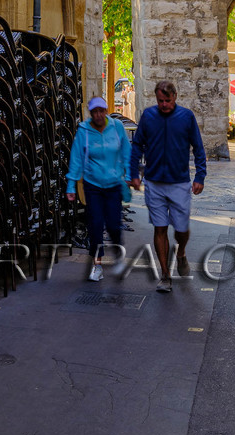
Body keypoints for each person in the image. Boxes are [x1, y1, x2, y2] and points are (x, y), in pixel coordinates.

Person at [129, 78, 207, 293]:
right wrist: (134, 172)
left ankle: (181, 252)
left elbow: (198, 148)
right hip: (154, 182)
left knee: (181, 229)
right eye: (160, 100)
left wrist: (200, 176)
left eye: (167, 100)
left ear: (175, 97)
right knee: (160, 227)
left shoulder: (186, 117)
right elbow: (137, 145)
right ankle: (165, 274)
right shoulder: (148, 116)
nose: (164, 104)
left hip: (179, 182)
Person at [65, 94, 132, 279]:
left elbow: (126, 151)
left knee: (113, 225)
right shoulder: (84, 130)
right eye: (95, 112)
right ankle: (97, 264)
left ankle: (118, 256)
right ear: (91, 113)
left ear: (106, 111)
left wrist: (130, 174)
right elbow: (76, 158)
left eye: (101, 111)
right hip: (93, 184)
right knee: (95, 225)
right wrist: (71, 185)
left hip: (113, 184)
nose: (98, 115)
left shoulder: (117, 127)